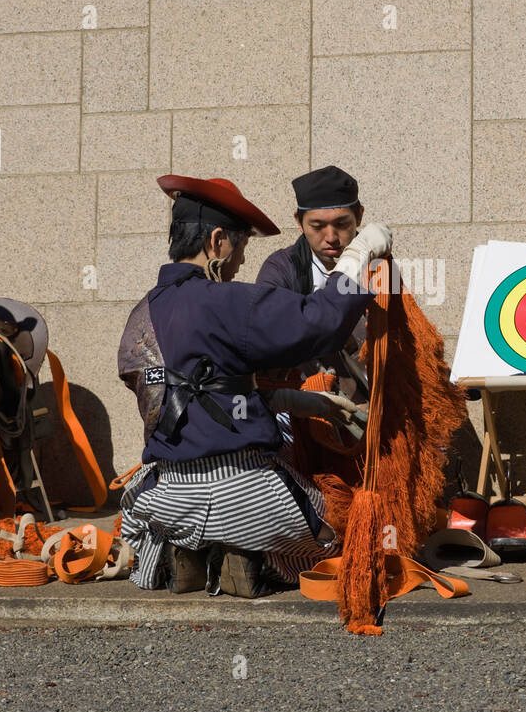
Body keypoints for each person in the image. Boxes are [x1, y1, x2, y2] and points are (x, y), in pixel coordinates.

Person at [118, 174, 392, 598]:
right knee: (336, 536)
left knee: (157, 514)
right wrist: (360, 253)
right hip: (246, 493)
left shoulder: (141, 314)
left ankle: (190, 552)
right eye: (241, 246)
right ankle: (251, 557)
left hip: (165, 497)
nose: (242, 262)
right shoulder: (227, 301)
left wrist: (298, 401)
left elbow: (199, 395)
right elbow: (319, 324)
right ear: (217, 241)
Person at [256, 165, 370, 403]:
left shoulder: (378, 264)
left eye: (342, 224)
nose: (331, 237)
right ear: (299, 221)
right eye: (317, 227)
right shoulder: (281, 269)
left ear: (359, 216)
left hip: (377, 398)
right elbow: (269, 337)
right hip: (308, 402)